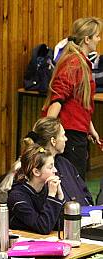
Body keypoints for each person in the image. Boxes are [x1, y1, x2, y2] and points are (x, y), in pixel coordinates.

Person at [0, 116, 94, 207]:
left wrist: (89, 207)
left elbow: (84, 191)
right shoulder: (31, 167)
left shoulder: (65, 163)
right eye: (63, 135)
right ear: (53, 141)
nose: (66, 139)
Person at [43, 17, 103, 179]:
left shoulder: (82, 63)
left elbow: (81, 103)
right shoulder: (74, 63)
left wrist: (90, 129)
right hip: (69, 133)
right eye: (97, 36)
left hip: (78, 131)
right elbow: (58, 99)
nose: (99, 39)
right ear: (87, 39)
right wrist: (44, 132)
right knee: (73, 182)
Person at [8, 144, 64, 234]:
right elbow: (43, 227)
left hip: (42, 242)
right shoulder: (17, 197)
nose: (55, 170)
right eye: (50, 167)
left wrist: (60, 196)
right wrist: (52, 197)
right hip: (23, 244)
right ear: (36, 172)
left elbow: (61, 225)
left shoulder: (46, 189)